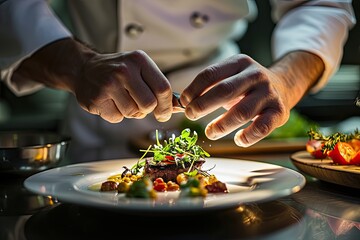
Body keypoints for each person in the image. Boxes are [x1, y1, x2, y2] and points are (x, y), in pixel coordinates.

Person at [0, 0, 356, 161]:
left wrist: (285, 79)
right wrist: (79, 66)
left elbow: (319, 4)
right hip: (99, 117)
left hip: (222, 110)